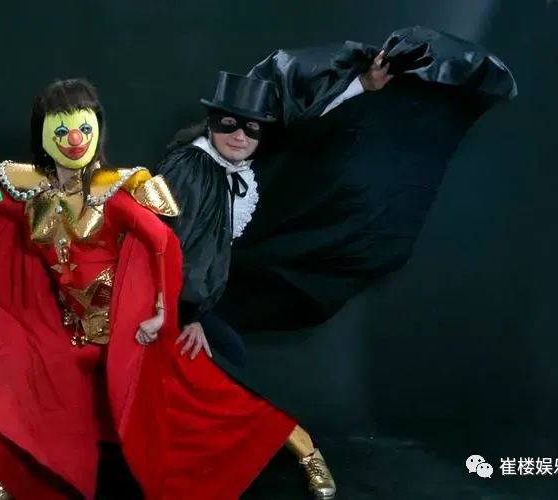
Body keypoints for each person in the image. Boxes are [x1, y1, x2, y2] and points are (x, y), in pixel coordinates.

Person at [155, 26, 517, 500]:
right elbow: (178, 246)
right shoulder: (194, 169)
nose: (240, 135)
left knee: (221, 368)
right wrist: (188, 314)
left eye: (251, 128)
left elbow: (304, 124)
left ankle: (233, 453)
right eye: (229, 125)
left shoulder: (235, 166)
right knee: (221, 368)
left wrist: (363, 86)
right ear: (211, 125)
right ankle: (266, 454)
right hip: (162, 297)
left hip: (199, 291)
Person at [0, 77, 297, 500]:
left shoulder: (116, 188)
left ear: (97, 129)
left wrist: (163, 312)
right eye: (62, 129)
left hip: (124, 321)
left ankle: (291, 446)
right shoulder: (26, 188)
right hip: (63, 321)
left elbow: (163, 242)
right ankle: (16, 474)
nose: (74, 139)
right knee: (22, 362)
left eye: (83, 127)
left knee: (192, 385)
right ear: (42, 132)